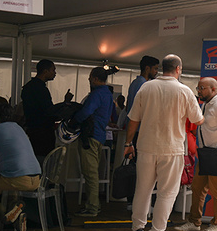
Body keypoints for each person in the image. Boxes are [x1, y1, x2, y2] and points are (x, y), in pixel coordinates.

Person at [124, 54, 203, 231]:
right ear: (178, 69)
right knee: (167, 193)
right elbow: (198, 120)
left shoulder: (146, 87)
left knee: (142, 190)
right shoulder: (184, 91)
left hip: (145, 147)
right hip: (172, 148)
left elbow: (133, 119)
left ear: (162, 68)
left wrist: (128, 144)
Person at [174, 77, 217, 231]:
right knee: (197, 188)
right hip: (206, 154)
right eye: (198, 88)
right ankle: (194, 222)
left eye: (202, 88)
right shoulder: (205, 105)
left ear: (214, 89)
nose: (199, 91)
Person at [0, 102, 42, 231]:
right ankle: (13, 214)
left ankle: (9, 215)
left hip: (17, 178)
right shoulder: (17, 127)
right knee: (9, 191)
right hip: (36, 179)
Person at [72, 66, 115, 217]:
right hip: (100, 136)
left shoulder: (96, 94)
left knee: (90, 174)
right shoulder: (108, 94)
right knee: (93, 172)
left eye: (90, 77)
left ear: (96, 79)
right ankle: (93, 205)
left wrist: (73, 121)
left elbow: (86, 112)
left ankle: (92, 207)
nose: (89, 80)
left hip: (89, 136)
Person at [22, 59, 72, 157]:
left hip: (32, 130)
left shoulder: (28, 87)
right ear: (45, 71)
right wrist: (65, 104)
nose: (55, 73)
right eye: (53, 70)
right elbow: (48, 111)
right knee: (44, 161)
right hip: (43, 133)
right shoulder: (41, 89)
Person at [122, 55, 160, 128]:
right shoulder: (145, 85)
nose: (156, 72)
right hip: (140, 128)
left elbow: (127, 107)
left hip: (131, 126)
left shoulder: (134, 83)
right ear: (147, 68)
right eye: (155, 69)